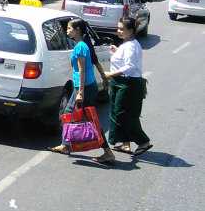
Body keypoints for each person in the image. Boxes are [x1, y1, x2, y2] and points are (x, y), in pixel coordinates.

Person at [48, 19, 115, 163]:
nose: (67, 31)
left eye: (69, 28)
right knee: (69, 113)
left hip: (84, 87)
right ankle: (65, 145)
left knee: (89, 119)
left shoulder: (80, 47)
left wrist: (80, 92)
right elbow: (94, 63)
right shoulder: (84, 44)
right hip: (87, 86)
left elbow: (82, 70)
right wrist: (103, 78)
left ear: (77, 29)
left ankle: (108, 152)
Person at [104, 17, 153, 157]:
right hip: (118, 82)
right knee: (114, 111)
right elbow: (125, 60)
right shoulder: (127, 44)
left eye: (122, 29)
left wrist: (110, 74)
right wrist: (117, 50)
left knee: (123, 113)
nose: (118, 31)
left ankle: (143, 141)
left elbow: (130, 67)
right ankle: (125, 144)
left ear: (131, 31)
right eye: (118, 28)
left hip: (128, 83)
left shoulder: (131, 45)